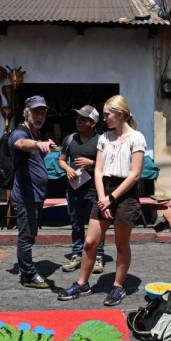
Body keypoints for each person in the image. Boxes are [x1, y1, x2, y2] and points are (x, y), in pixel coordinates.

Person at [58, 95, 146, 306]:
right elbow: (97, 170)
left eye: (107, 114)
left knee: (121, 243)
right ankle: (82, 283)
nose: (104, 117)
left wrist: (112, 198)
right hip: (103, 189)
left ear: (120, 114)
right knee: (90, 242)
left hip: (125, 192)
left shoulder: (137, 138)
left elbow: (134, 174)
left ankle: (117, 286)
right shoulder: (104, 138)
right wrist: (102, 199)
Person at [8, 96, 57, 289]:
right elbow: (20, 144)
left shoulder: (35, 133)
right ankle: (28, 275)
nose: (40, 116)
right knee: (26, 236)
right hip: (26, 196)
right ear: (26, 112)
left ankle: (26, 268)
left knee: (30, 234)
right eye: (36, 112)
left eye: (43, 112)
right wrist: (38, 145)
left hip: (35, 195)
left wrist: (43, 146)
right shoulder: (19, 132)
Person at [60, 106, 106, 276]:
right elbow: (62, 160)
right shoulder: (70, 139)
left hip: (95, 190)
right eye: (77, 118)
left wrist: (91, 163)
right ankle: (77, 255)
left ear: (93, 123)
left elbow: (108, 166)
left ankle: (98, 256)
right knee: (76, 224)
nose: (78, 121)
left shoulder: (102, 141)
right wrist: (67, 169)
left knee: (97, 226)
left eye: (83, 119)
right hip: (73, 189)